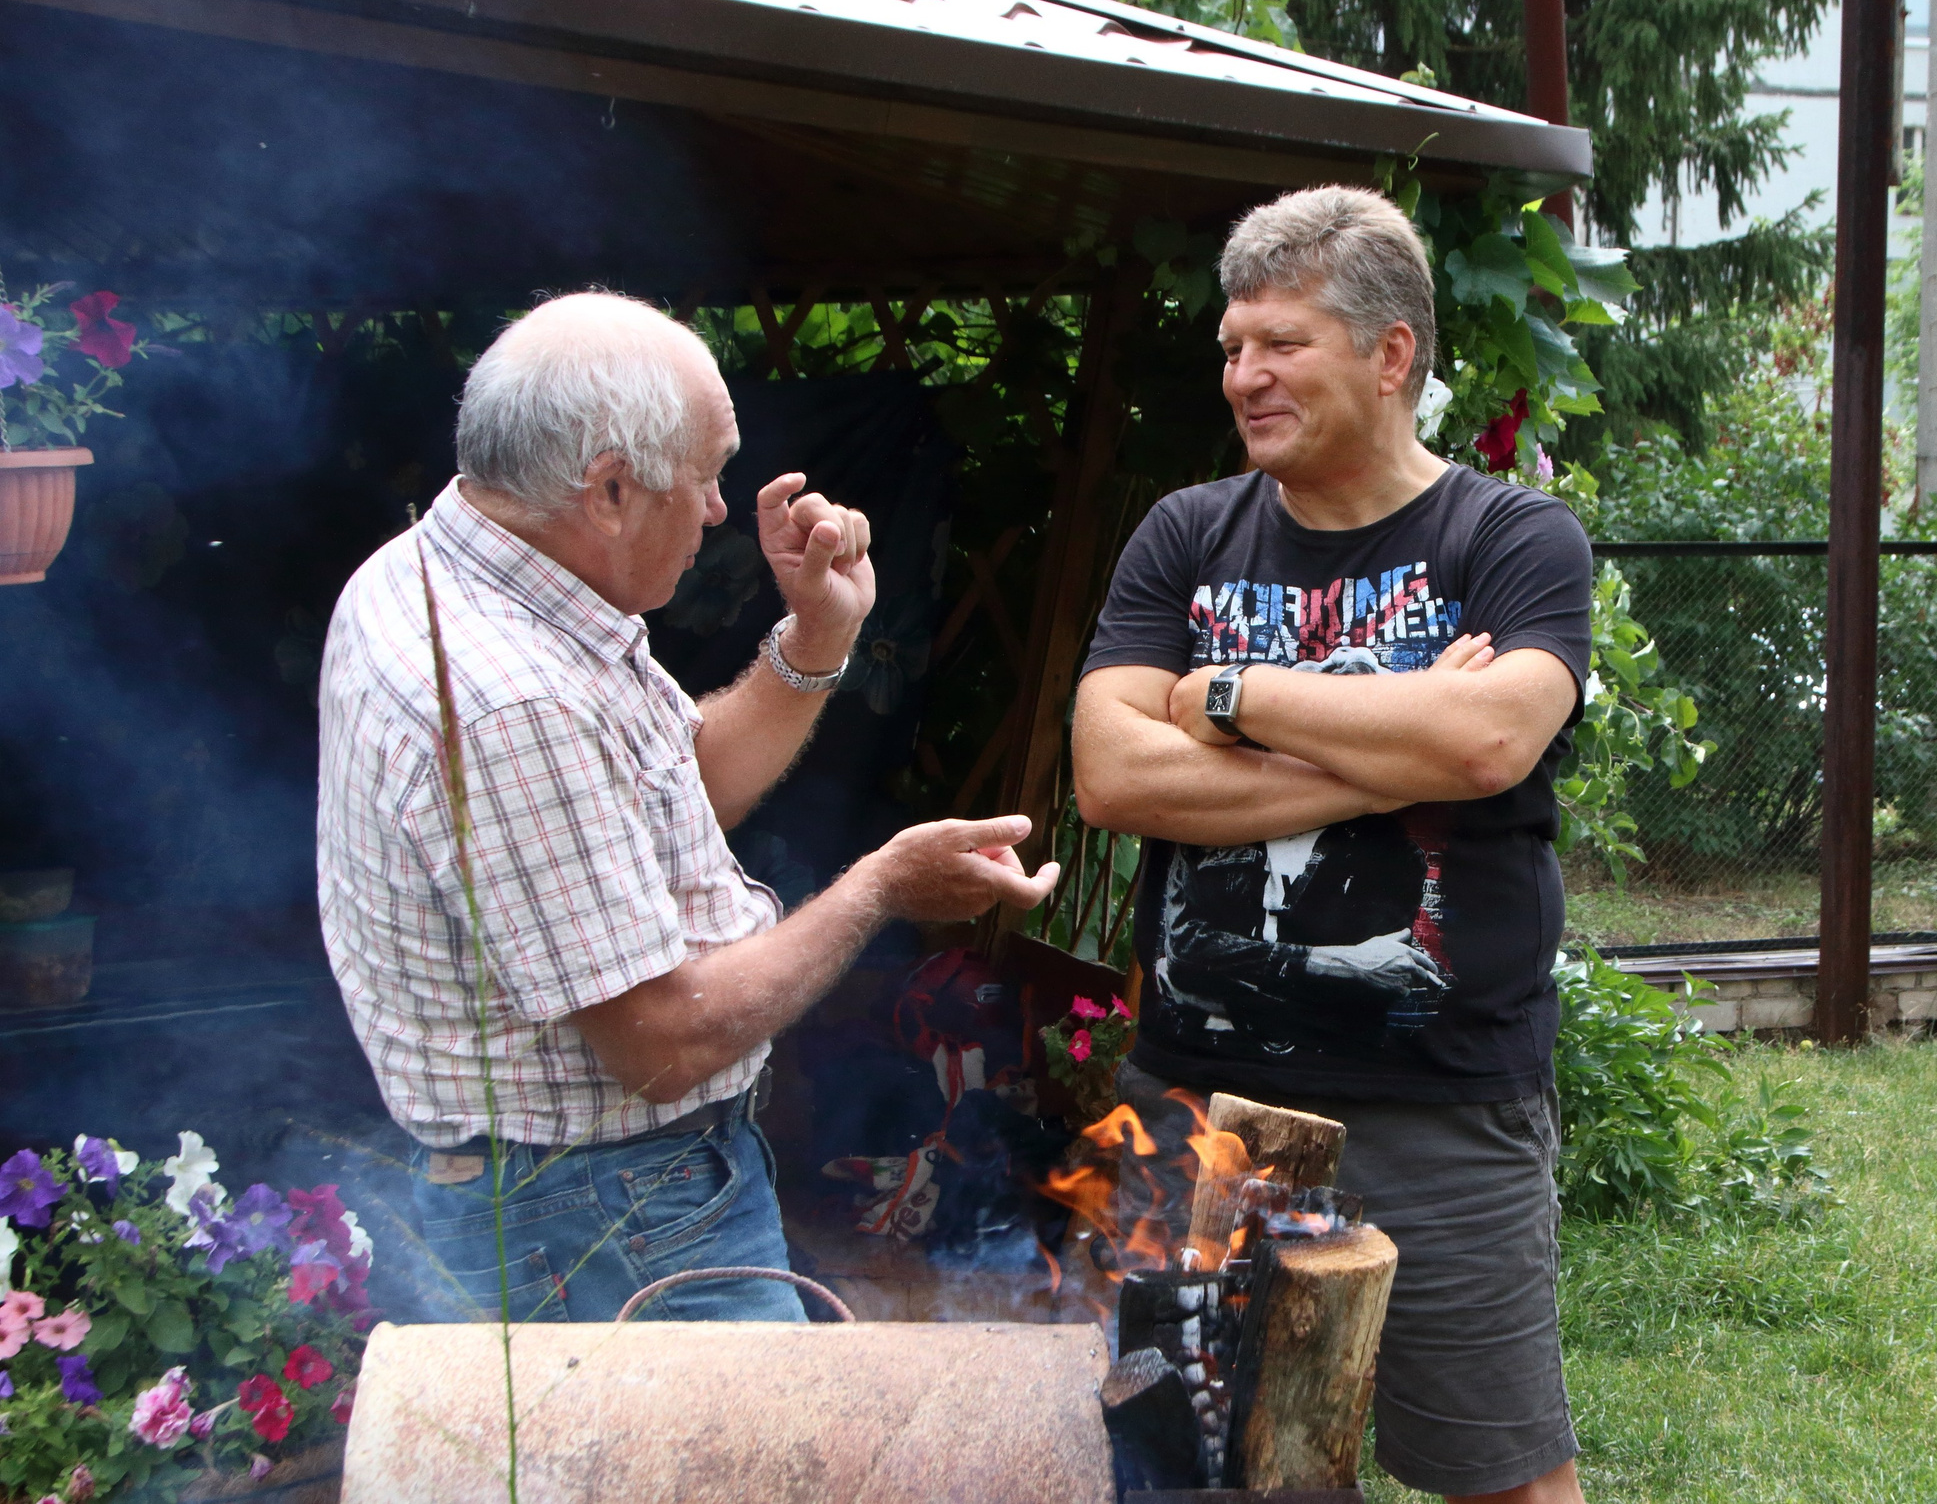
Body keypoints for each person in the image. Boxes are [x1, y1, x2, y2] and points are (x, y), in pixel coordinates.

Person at [316, 292, 1058, 1322]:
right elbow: (663, 1043)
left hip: (586, 1199)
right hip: (602, 1215)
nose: (719, 512)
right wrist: (881, 887)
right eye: (706, 478)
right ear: (610, 490)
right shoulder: (510, 696)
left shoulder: (458, 575)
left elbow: (678, 782)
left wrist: (816, 639)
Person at [1075, 187, 1593, 1504]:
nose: (1244, 374)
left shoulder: (1508, 537)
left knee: (1501, 1474)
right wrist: (1385, 741)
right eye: (1233, 344)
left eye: (1280, 342)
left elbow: (1487, 747)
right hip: (1187, 1097)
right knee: (1180, 1466)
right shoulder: (1186, 535)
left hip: (1440, 1099)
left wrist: (1230, 700)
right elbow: (1110, 771)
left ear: (1390, 353)